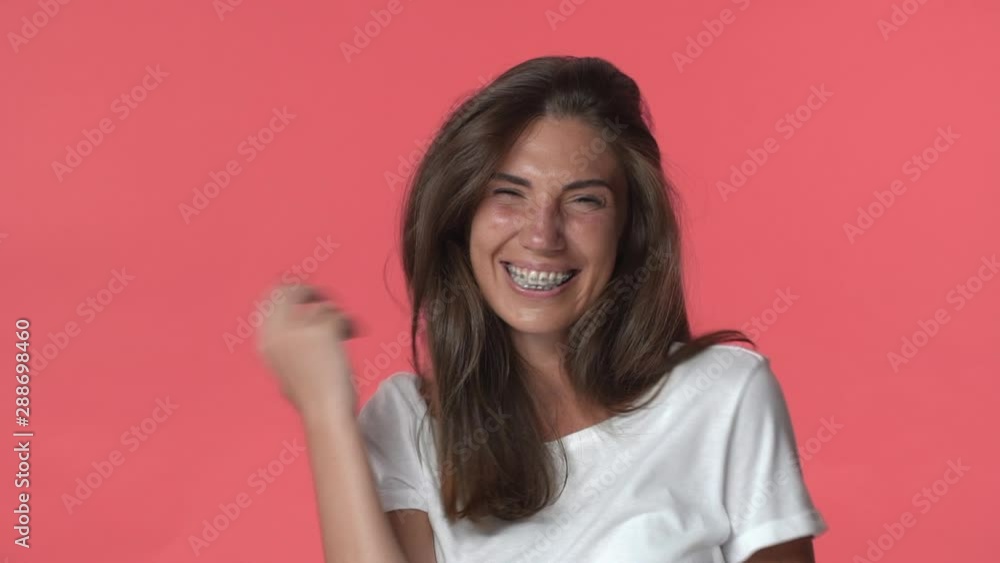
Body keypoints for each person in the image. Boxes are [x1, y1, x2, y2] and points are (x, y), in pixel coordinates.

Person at [257, 56, 828, 563]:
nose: (542, 235)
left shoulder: (723, 393)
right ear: (463, 217)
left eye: (583, 200)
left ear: (629, 229)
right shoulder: (409, 422)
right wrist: (325, 411)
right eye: (509, 193)